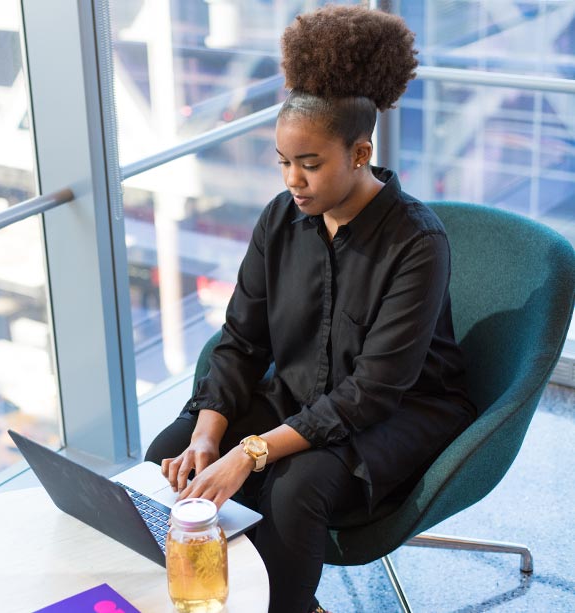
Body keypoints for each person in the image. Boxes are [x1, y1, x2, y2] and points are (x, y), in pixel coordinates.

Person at [144, 6, 478, 613]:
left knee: (296, 488)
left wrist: (250, 451)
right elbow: (242, 340)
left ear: (359, 152)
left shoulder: (417, 243)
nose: (293, 180)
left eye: (310, 163)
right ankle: (214, 594)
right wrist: (206, 433)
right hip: (302, 392)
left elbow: (373, 392)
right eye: (283, 161)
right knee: (165, 460)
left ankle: (287, 605)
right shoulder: (281, 218)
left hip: (402, 408)